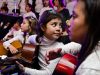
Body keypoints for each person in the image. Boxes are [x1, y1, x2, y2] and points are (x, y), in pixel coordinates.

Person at [45, 0, 100, 75]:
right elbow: (79, 45)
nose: (68, 23)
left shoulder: (89, 70)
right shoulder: (95, 42)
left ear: (92, 22)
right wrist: (60, 51)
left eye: (74, 16)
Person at [14, 10, 66, 75]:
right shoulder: (37, 39)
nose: (59, 28)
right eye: (54, 24)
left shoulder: (58, 48)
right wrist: (28, 55)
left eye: (60, 25)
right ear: (43, 27)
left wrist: (25, 69)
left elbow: (47, 73)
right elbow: (30, 39)